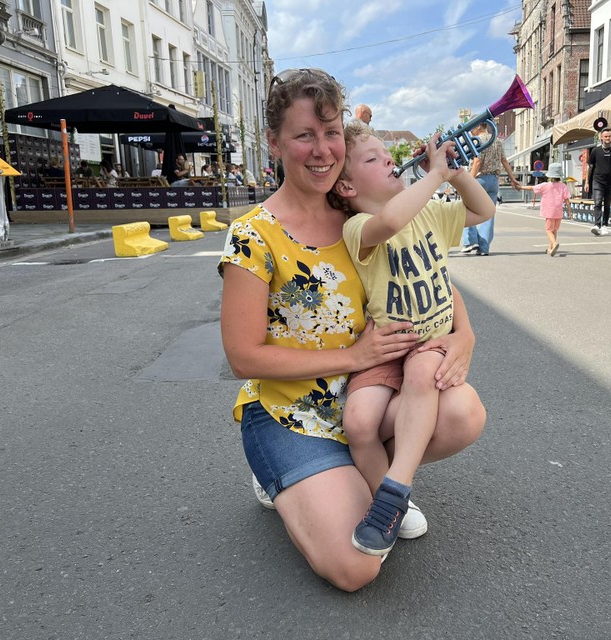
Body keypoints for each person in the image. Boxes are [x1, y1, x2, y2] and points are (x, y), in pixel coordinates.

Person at [218, 68, 485, 592]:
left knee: (463, 411)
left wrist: (465, 334)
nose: (322, 149)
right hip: (290, 414)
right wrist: (356, 357)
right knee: (356, 567)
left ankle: (379, 483)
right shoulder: (252, 235)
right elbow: (243, 358)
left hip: (365, 402)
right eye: (304, 135)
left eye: (332, 132)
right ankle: (282, 475)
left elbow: (431, 278)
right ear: (274, 142)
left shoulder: (361, 210)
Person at [329, 121, 494, 556]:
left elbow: (483, 211)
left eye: (387, 153)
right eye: (372, 157)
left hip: (427, 344)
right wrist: (435, 175)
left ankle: (393, 495)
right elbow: (389, 221)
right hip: (386, 349)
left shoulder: (430, 211)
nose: (388, 158)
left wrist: (456, 173)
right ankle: (379, 491)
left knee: (424, 369)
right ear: (346, 186)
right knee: (359, 423)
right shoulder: (358, 226)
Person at [459, 122, 520, 255]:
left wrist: (468, 180)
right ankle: (484, 248)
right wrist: (513, 178)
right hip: (493, 181)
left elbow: (477, 161)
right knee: (488, 214)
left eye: (472, 128)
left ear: (479, 126)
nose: (470, 132)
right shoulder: (497, 141)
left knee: (467, 208)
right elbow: (504, 161)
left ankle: (471, 241)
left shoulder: (476, 141)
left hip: (479, 179)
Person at [516, 162, 571, 256]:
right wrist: (570, 212)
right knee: (554, 230)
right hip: (558, 212)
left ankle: (554, 243)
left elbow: (531, 188)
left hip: (549, 212)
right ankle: (550, 248)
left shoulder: (545, 185)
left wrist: (520, 187)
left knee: (549, 230)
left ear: (550, 175)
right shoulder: (563, 186)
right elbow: (567, 200)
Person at [585, 127, 611, 236]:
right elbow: (590, 166)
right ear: (601, 137)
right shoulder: (595, 151)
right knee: (597, 202)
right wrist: (587, 182)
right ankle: (597, 225)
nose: (607, 138)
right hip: (597, 180)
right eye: (605, 136)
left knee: (607, 204)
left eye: (609, 136)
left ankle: (604, 225)